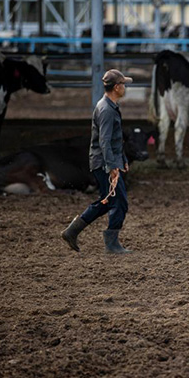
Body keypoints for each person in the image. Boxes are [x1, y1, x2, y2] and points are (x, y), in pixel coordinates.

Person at [61, 69, 133, 254]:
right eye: (123, 84)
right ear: (116, 87)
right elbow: (104, 141)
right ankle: (111, 243)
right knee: (119, 202)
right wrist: (111, 166)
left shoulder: (110, 106)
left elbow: (116, 140)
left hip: (106, 161)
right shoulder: (107, 110)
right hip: (104, 163)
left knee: (108, 201)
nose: (125, 87)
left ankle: (73, 231)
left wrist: (122, 159)